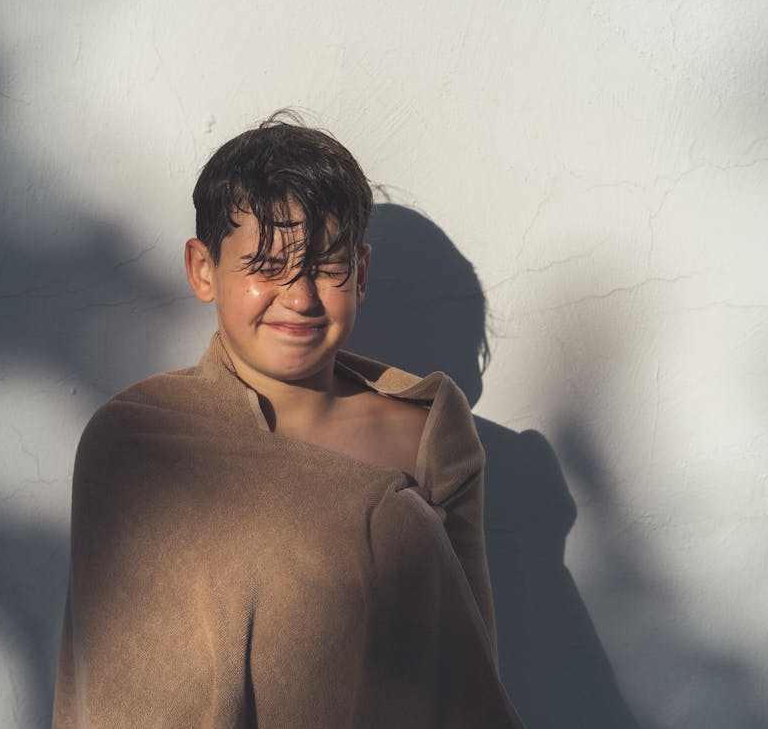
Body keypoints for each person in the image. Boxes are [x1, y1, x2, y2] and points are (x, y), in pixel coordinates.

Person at [52, 112, 524, 728]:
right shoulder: (137, 439)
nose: (299, 298)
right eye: (266, 267)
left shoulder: (426, 429)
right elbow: (113, 681)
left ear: (360, 273)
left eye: (327, 267)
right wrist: (386, 518)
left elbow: (463, 672)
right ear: (202, 269)